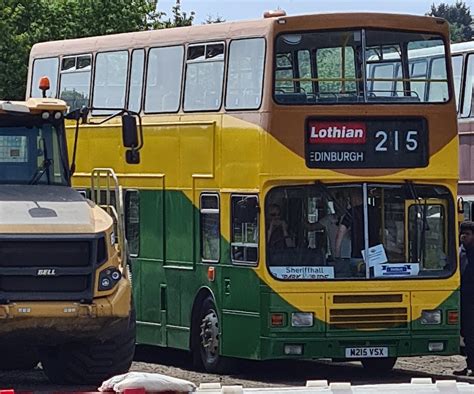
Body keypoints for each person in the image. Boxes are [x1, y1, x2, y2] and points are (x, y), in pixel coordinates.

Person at [334, 188, 380, 259]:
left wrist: (337, 256)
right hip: (377, 254)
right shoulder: (376, 211)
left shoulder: (352, 212)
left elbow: (340, 233)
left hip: (358, 256)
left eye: (350, 197)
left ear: (354, 196)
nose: (349, 201)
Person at [454, 221, 474, 376]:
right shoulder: (460, 252)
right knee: (466, 334)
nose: (463, 237)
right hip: (463, 299)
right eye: (462, 234)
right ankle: (470, 365)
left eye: (467, 234)